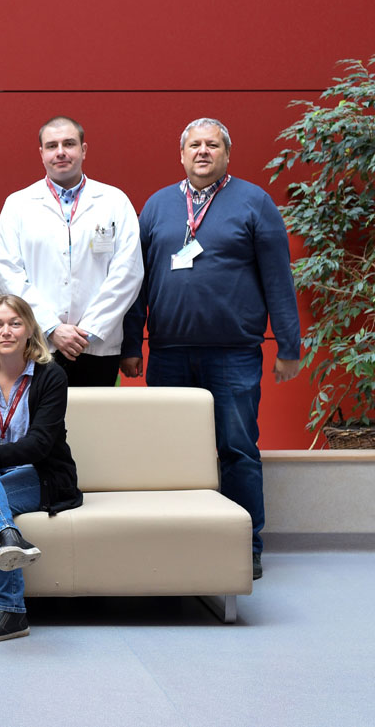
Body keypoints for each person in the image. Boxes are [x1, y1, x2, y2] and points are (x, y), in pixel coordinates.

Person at [122, 117, 301, 580]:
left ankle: (244, 546)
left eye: (213, 145)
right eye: (195, 145)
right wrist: (131, 342)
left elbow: (278, 278)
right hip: (168, 354)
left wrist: (289, 345)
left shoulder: (254, 202)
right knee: (169, 453)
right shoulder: (158, 206)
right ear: (181, 154)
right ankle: (176, 541)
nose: (203, 151)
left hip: (233, 355)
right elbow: (136, 282)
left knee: (237, 449)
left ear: (227, 153)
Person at [0, 294, 82, 643]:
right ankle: (9, 539)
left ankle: (11, 608)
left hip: (40, 475)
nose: (5, 331)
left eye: (14, 323)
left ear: (29, 330)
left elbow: (40, 445)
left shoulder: (51, 376)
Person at [0, 116, 142, 386]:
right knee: (39, 413)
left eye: (69, 144)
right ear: (41, 153)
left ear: (83, 150)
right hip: (38, 344)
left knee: (96, 414)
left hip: (97, 346)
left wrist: (89, 330)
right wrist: (50, 328)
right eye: (52, 146)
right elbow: (8, 274)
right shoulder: (18, 205)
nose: (60, 152)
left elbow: (128, 273)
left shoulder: (115, 202)